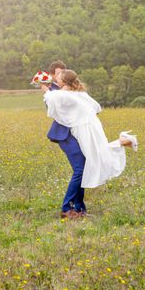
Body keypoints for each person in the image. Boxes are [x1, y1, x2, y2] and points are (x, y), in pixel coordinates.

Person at [40, 69, 138, 199]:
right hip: (91, 125)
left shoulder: (66, 94)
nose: (55, 77)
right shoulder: (78, 93)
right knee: (96, 154)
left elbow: (51, 97)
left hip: (85, 128)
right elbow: (96, 107)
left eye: (58, 76)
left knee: (95, 155)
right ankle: (121, 142)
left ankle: (122, 141)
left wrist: (45, 89)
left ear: (64, 81)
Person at [44, 61, 87, 219]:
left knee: (82, 170)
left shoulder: (73, 91)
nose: (59, 76)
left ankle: (79, 208)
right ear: (53, 76)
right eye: (57, 73)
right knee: (80, 170)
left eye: (62, 73)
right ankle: (66, 208)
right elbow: (52, 105)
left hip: (78, 134)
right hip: (65, 135)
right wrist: (45, 88)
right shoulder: (53, 92)